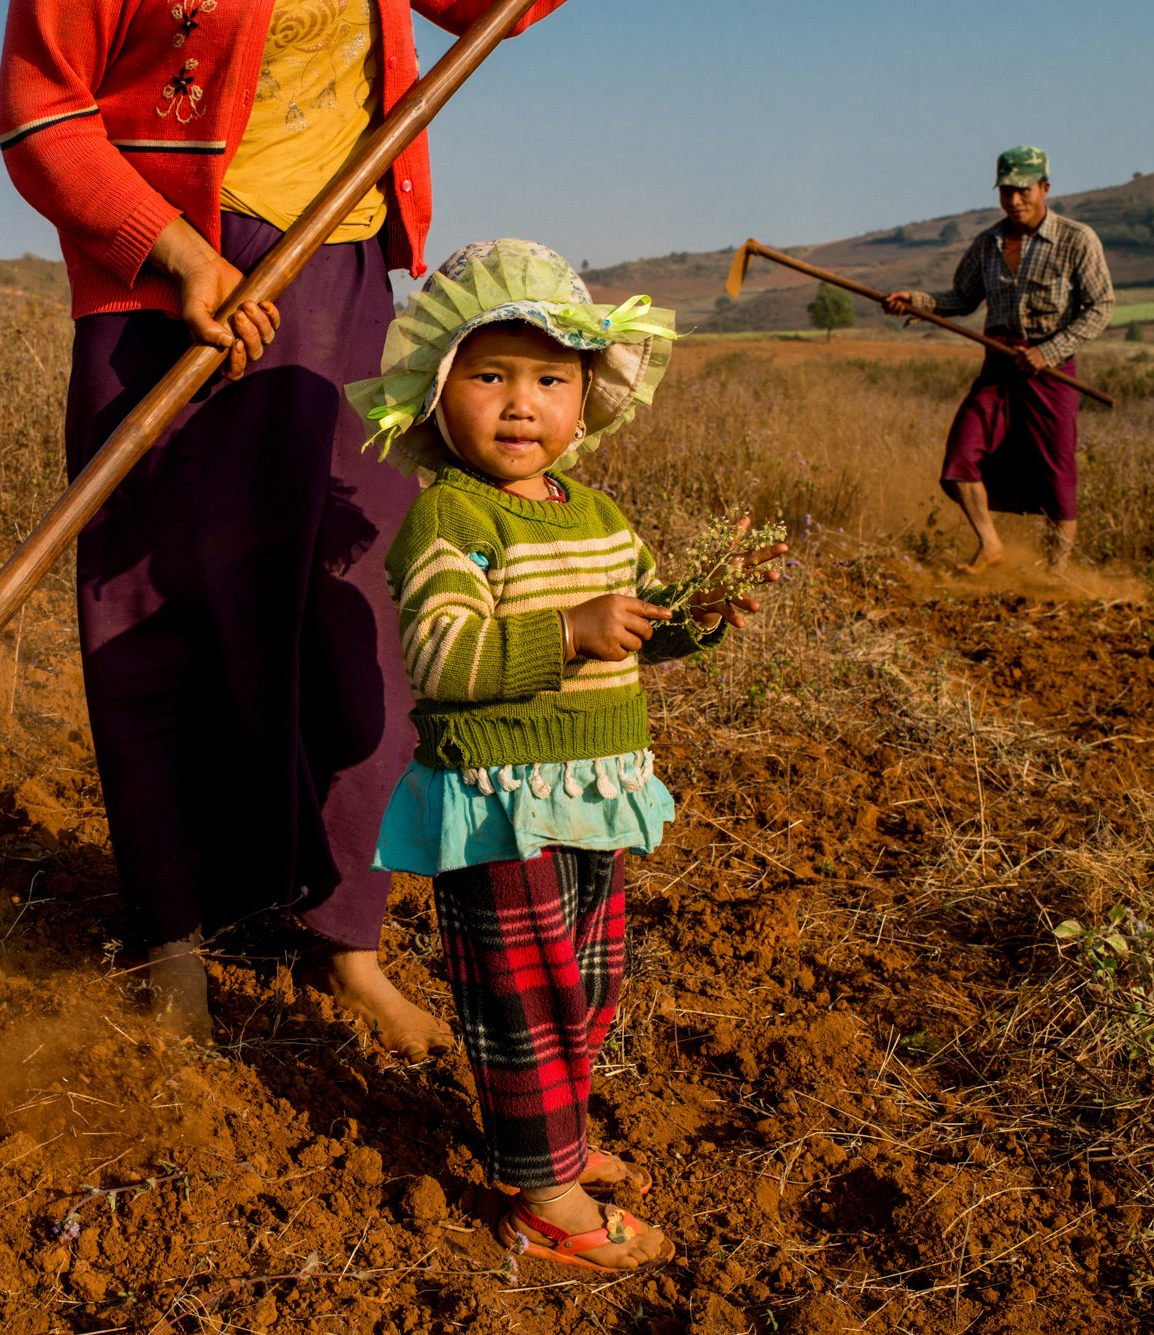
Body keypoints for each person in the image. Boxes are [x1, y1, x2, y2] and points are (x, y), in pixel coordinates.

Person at [0, 0, 565, 1056]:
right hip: (163, 293)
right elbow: (39, 116)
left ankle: (344, 940)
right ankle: (171, 937)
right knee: (152, 618)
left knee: (360, 608)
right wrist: (169, 252)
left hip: (341, 279)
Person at [347, 239, 786, 1273]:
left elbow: (631, 625)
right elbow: (444, 659)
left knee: (585, 989)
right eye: (487, 376)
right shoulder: (448, 518)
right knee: (522, 1000)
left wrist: (696, 618)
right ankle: (543, 1199)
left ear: (585, 397)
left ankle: (552, 1143)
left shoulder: (596, 516)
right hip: (499, 800)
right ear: (436, 394)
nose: (517, 404)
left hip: (592, 794)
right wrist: (568, 634)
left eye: (547, 379)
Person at [882, 145, 1114, 573]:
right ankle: (990, 545)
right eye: (1006, 191)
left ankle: (1056, 572)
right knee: (962, 453)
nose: (1014, 201)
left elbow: (1101, 306)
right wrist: (914, 302)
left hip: (1052, 369)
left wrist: (1049, 352)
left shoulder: (1076, 240)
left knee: (1056, 469)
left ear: (1044, 188)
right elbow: (961, 299)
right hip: (1000, 364)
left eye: (1023, 191)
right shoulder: (987, 244)